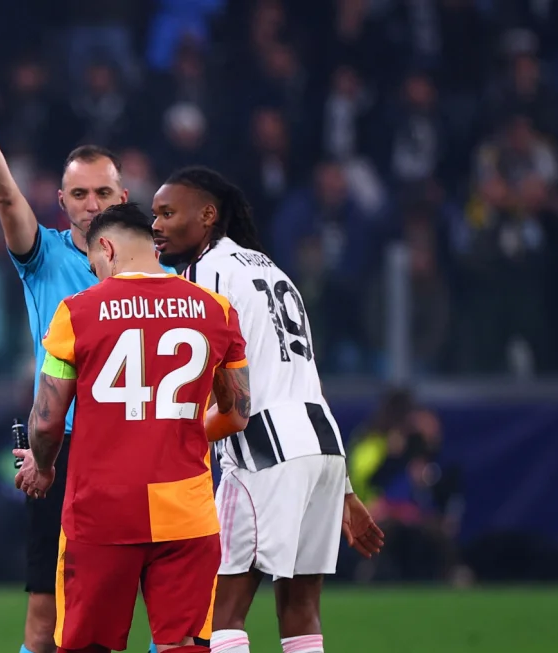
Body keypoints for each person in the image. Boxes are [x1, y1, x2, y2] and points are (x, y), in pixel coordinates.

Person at [151, 166, 385, 653]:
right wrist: (342, 489)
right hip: (321, 447)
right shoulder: (270, 269)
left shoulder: (205, 273)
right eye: (155, 214)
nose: (156, 224)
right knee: (300, 609)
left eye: (168, 213)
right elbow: (299, 374)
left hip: (264, 451)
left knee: (218, 609)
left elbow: (228, 393)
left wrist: (171, 440)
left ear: (208, 216)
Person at [0, 66, 129, 653]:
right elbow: (4, 194)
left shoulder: (161, 268)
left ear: (122, 198)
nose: (91, 203)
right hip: (64, 444)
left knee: (159, 598)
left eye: (102, 193)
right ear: (61, 200)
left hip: (138, 444)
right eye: (79, 193)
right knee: (45, 613)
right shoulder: (42, 254)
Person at [14, 203, 252, 653]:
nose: (97, 274)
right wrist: (175, 435)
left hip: (101, 511)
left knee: (87, 645)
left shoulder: (76, 311)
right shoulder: (216, 310)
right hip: (186, 512)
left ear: (106, 247)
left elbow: (46, 423)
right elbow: (237, 411)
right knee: (183, 645)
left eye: (94, 264)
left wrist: (43, 467)